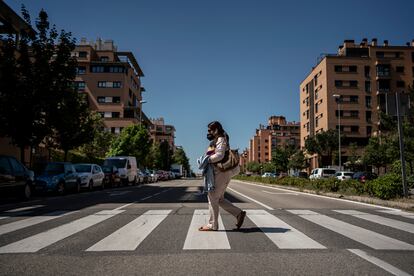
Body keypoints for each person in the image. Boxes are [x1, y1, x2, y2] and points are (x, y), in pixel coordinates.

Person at [198, 121, 246, 231]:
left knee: (212, 198)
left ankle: (212, 225)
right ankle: (238, 214)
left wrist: (206, 160)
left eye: (210, 130)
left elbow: (220, 155)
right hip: (221, 173)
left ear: (216, 130)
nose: (208, 132)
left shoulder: (221, 139)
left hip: (221, 172)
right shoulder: (218, 140)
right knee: (219, 199)